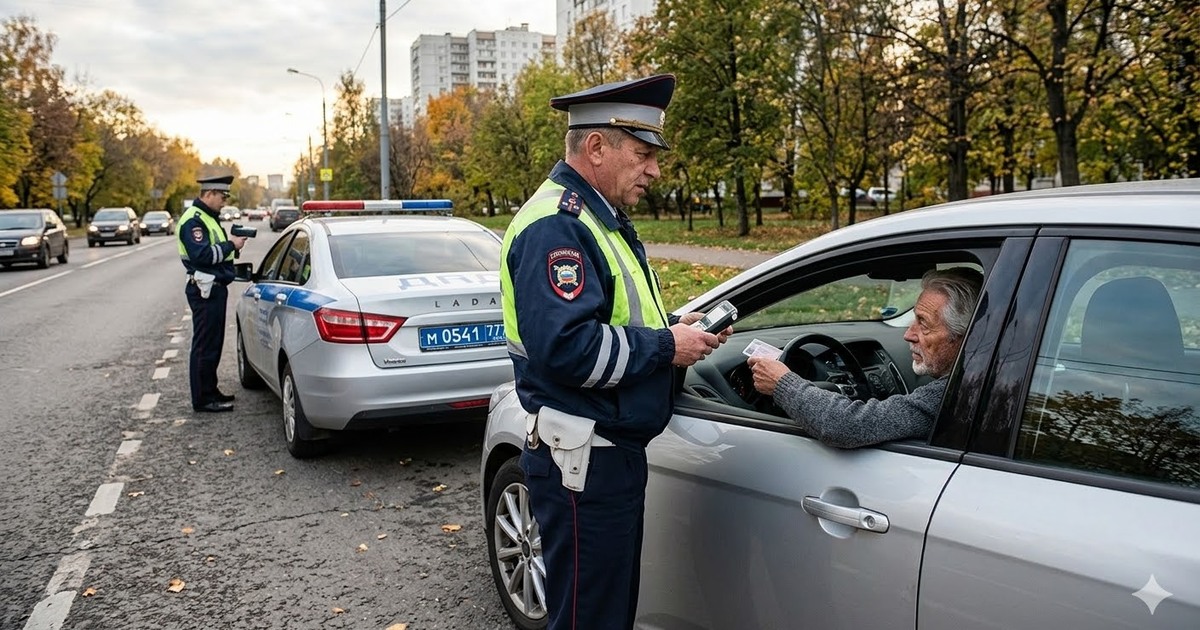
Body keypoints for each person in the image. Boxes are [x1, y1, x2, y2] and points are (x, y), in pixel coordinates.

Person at [499, 74, 729, 630]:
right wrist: (667, 345)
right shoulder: (558, 228)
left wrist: (673, 327)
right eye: (644, 154)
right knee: (590, 619)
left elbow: (611, 320)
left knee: (607, 613)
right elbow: (568, 350)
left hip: (603, 457)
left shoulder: (596, 220)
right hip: (584, 462)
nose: (654, 170)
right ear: (597, 147)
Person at [747, 267, 983, 448]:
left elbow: (848, 426)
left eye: (923, 324)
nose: (908, 334)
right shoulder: (989, 375)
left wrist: (783, 384)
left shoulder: (952, 395)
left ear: (965, 336)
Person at [178, 175, 247, 413]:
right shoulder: (194, 221)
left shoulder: (208, 217)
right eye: (222, 196)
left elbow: (214, 253)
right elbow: (203, 256)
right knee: (204, 345)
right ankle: (203, 398)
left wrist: (231, 248)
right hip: (204, 289)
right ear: (208, 194)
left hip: (214, 288)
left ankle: (210, 390)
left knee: (214, 343)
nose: (224, 202)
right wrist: (231, 245)